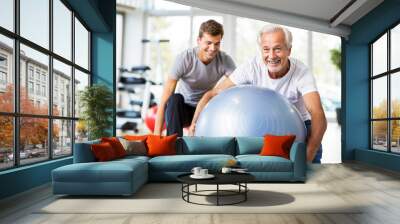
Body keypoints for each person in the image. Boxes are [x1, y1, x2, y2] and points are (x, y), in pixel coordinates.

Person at [188, 24, 327, 163]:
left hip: (299, 126)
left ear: (289, 50)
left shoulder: (301, 72)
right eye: (266, 49)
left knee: (311, 171)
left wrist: (308, 156)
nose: (271, 56)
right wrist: (194, 125)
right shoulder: (251, 67)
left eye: (277, 49)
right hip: (262, 126)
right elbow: (212, 95)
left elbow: (317, 113)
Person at [153, 20, 236, 137]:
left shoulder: (225, 60)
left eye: (217, 43)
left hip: (206, 110)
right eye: (208, 43)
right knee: (174, 99)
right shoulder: (184, 59)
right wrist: (156, 135)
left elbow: (238, 84)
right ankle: (173, 144)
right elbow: (164, 100)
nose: (213, 48)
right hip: (183, 110)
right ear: (199, 41)